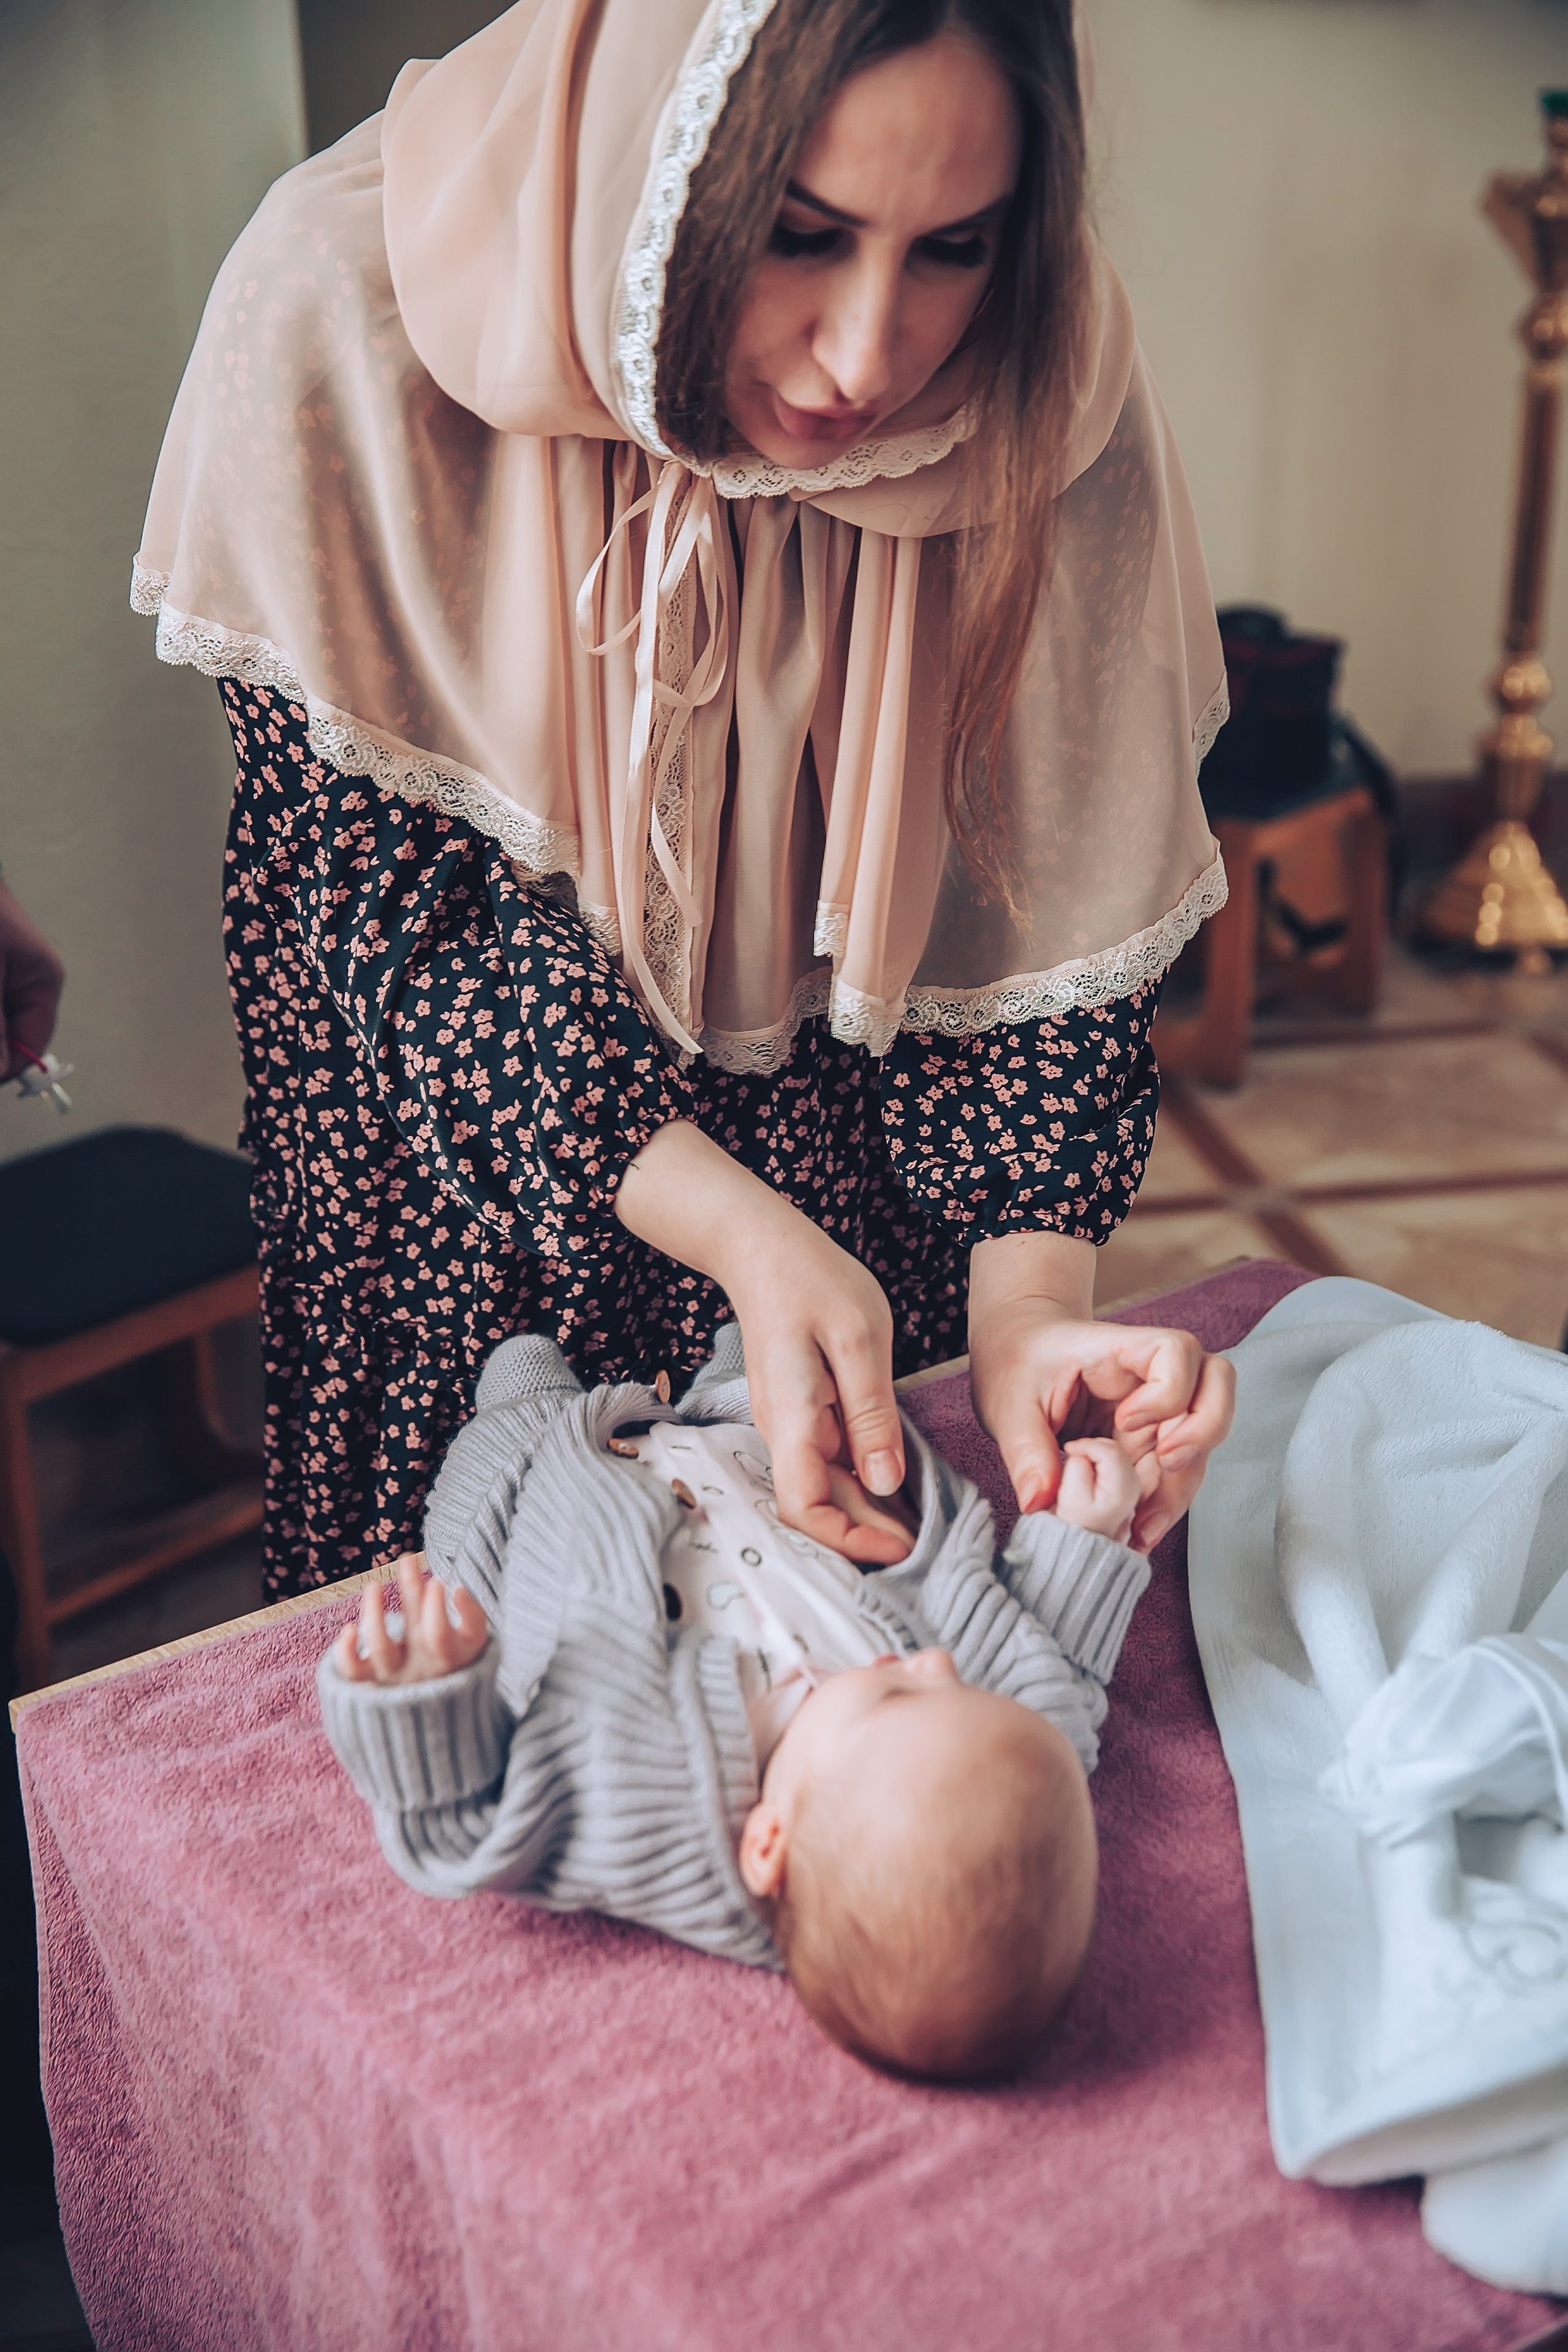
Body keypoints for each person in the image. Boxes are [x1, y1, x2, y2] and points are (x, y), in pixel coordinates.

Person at [132, 0, 1236, 1603]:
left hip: (859, 1194)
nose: (867, 355)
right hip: (474, 1226)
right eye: (802, 235)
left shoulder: (1040, 372)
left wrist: (1024, 1316)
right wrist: (739, 1235)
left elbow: (1045, 903)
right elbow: (372, 928)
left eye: (955, 248)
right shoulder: (348, 312)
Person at [318, 1324, 1155, 2078]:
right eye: (954, 1686)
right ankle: (726, 1372)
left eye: (898, 1694)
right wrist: (1085, 1534)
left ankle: (524, 1387)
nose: (935, 1663)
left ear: (768, 1841)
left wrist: (425, 1698)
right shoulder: (998, 1758)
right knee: (773, 1376)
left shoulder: (643, 1815)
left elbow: (466, 1826)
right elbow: (1057, 1673)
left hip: (555, 1496)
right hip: (761, 1466)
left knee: (518, 1384)